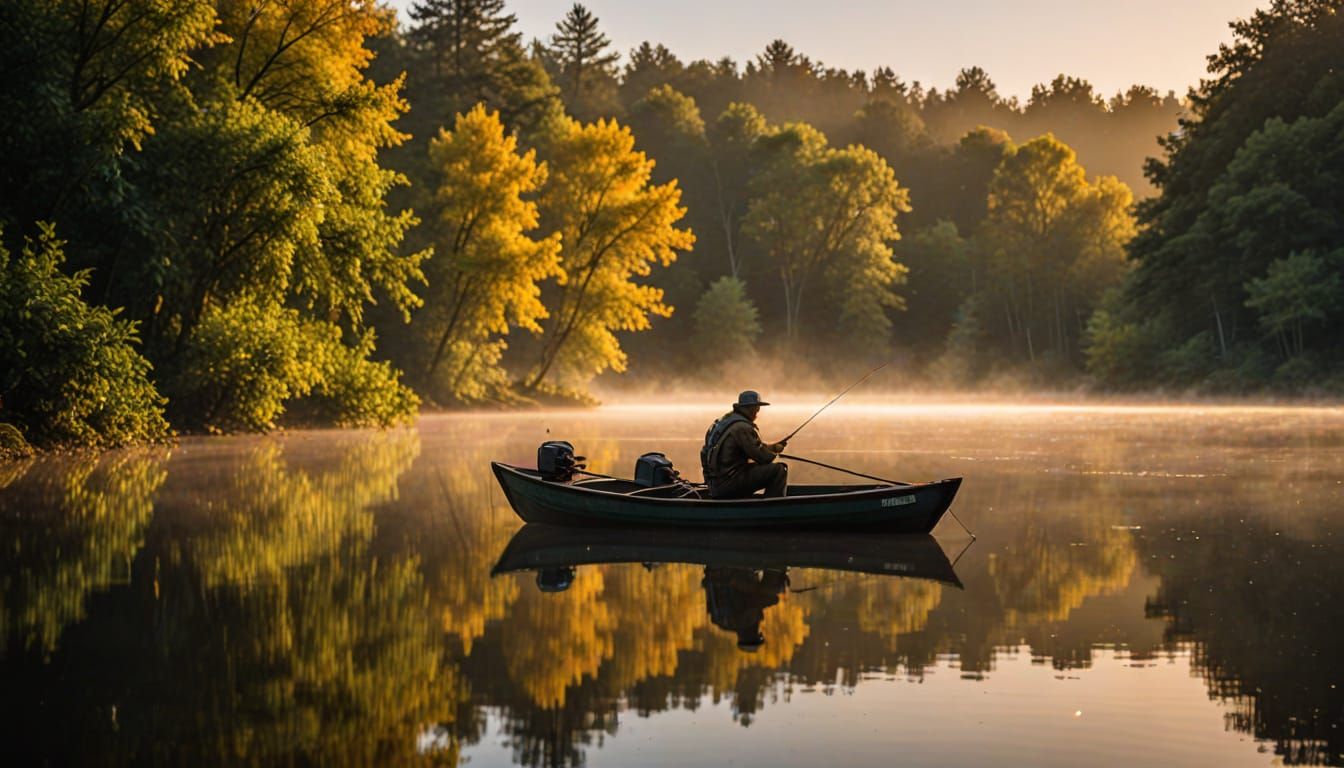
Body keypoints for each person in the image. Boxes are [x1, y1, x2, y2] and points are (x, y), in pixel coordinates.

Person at [701, 390, 788, 499]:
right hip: (727, 485)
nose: (757, 412)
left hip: (715, 485)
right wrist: (773, 454)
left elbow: (703, 453)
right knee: (779, 470)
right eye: (757, 408)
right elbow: (763, 458)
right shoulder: (742, 427)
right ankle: (773, 508)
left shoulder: (722, 422)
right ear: (751, 408)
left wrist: (773, 448)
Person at [701, 567, 790, 651]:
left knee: (773, 588)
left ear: (752, 636)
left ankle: (775, 564)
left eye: (758, 633)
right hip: (713, 571)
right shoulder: (720, 623)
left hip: (733, 572)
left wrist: (774, 597)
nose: (758, 629)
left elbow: (757, 600)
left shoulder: (746, 621)